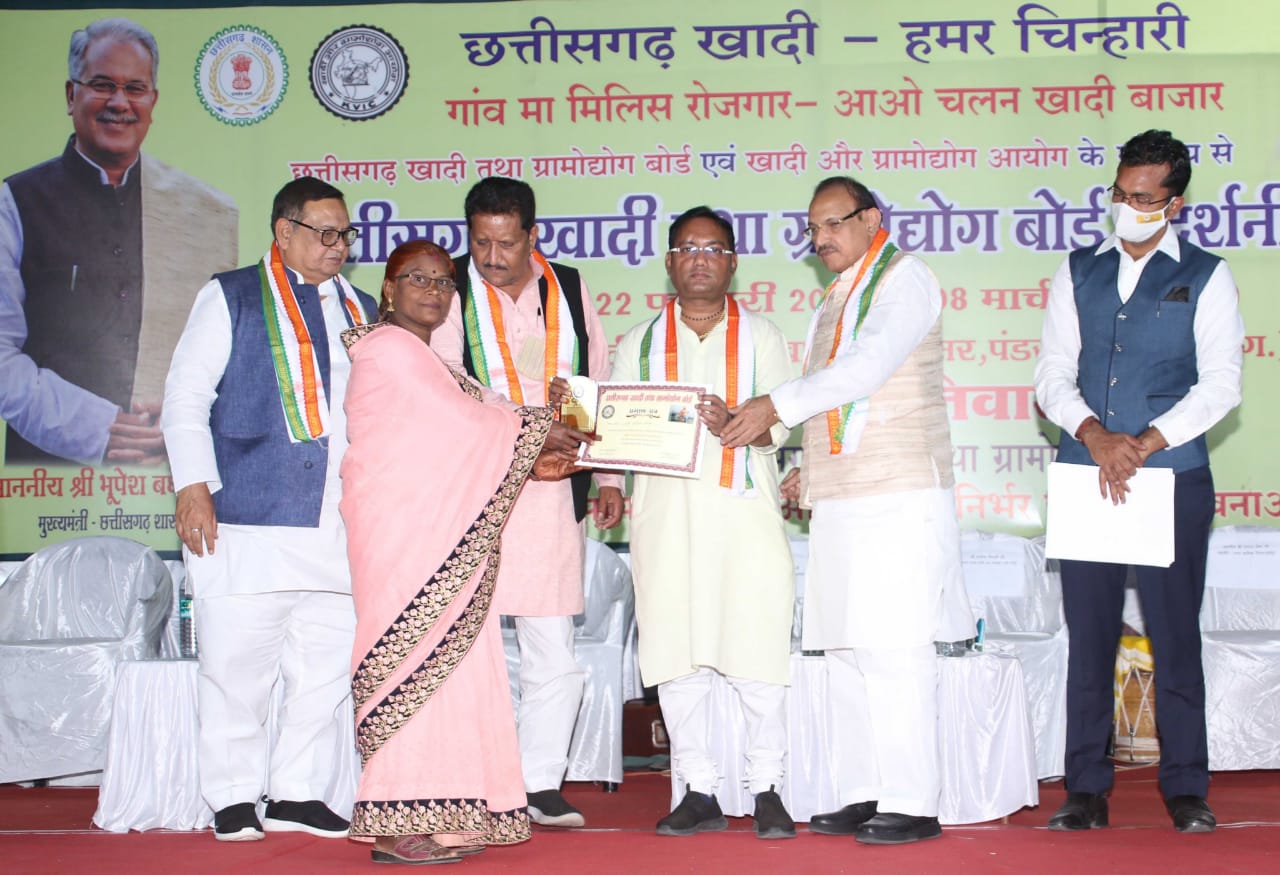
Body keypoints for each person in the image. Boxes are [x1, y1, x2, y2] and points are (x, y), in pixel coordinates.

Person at [722, 176, 972, 845]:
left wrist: (773, 406)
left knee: (893, 647)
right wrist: (809, 462)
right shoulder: (837, 294)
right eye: (813, 228)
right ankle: (865, 792)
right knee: (844, 651)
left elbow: (867, 368)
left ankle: (913, 801)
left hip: (897, 494)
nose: (821, 238)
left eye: (834, 223)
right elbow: (839, 408)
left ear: (871, 219)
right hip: (842, 497)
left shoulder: (906, 279)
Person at [342, 240, 586, 864]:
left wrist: (549, 421)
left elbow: (487, 409)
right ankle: (395, 822)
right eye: (417, 278)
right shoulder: (389, 349)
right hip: (405, 541)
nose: (433, 290)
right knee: (411, 670)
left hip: (439, 540)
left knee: (453, 672)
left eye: (444, 282)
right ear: (389, 288)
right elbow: (463, 425)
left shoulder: (433, 362)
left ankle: (448, 813)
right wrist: (540, 430)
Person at [1034, 129, 1243, 834]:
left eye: (1145, 198)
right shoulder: (1078, 270)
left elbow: (1221, 384)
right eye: (1121, 194)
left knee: (1175, 636)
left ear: (1174, 204)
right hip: (1086, 472)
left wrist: (1147, 442)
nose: (1128, 207)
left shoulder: (1208, 275)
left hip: (1171, 478)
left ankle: (1186, 788)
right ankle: (1085, 788)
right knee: (1090, 638)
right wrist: (1094, 434)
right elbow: (1052, 373)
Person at [161, 176, 377, 842]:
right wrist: (193, 485)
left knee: (324, 671)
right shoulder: (229, 295)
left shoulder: (362, 307)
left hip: (337, 522)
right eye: (325, 233)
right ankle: (232, 795)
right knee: (236, 670)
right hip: (245, 516)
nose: (338, 246)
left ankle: (296, 793)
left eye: (345, 234)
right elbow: (186, 395)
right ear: (284, 231)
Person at [432, 176, 625, 828]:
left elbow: (594, 383)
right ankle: (473, 780)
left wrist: (608, 478)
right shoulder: (449, 288)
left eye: (507, 243)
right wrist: (526, 429)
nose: (492, 257)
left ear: (533, 236)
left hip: (551, 494)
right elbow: (448, 388)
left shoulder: (566, 286)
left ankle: (540, 781)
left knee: (551, 643)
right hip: (475, 493)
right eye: (481, 242)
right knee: (468, 644)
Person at [608, 206, 796, 839]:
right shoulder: (636, 343)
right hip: (665, 520)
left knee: (756, 650)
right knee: (675, 656)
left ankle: (767, 787)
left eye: (713, 249)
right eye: (687, 247)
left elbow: (780, 426)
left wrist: (738, 423)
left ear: (733, 262)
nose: (699, 259)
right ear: (669, 262)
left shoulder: (763, 337)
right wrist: (607, 476)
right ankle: (698, 789)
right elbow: (613, 429)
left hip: (745, 517)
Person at [1, 16, 237, 466]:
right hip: (45, 474)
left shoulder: (202, 210)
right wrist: (94, 427)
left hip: (174, 462)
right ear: (71, 95)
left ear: (153, 101)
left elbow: (230, 352)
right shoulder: (16, 200)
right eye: (102, 85)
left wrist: (185, 418)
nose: (119, 103)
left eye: (135, 88)